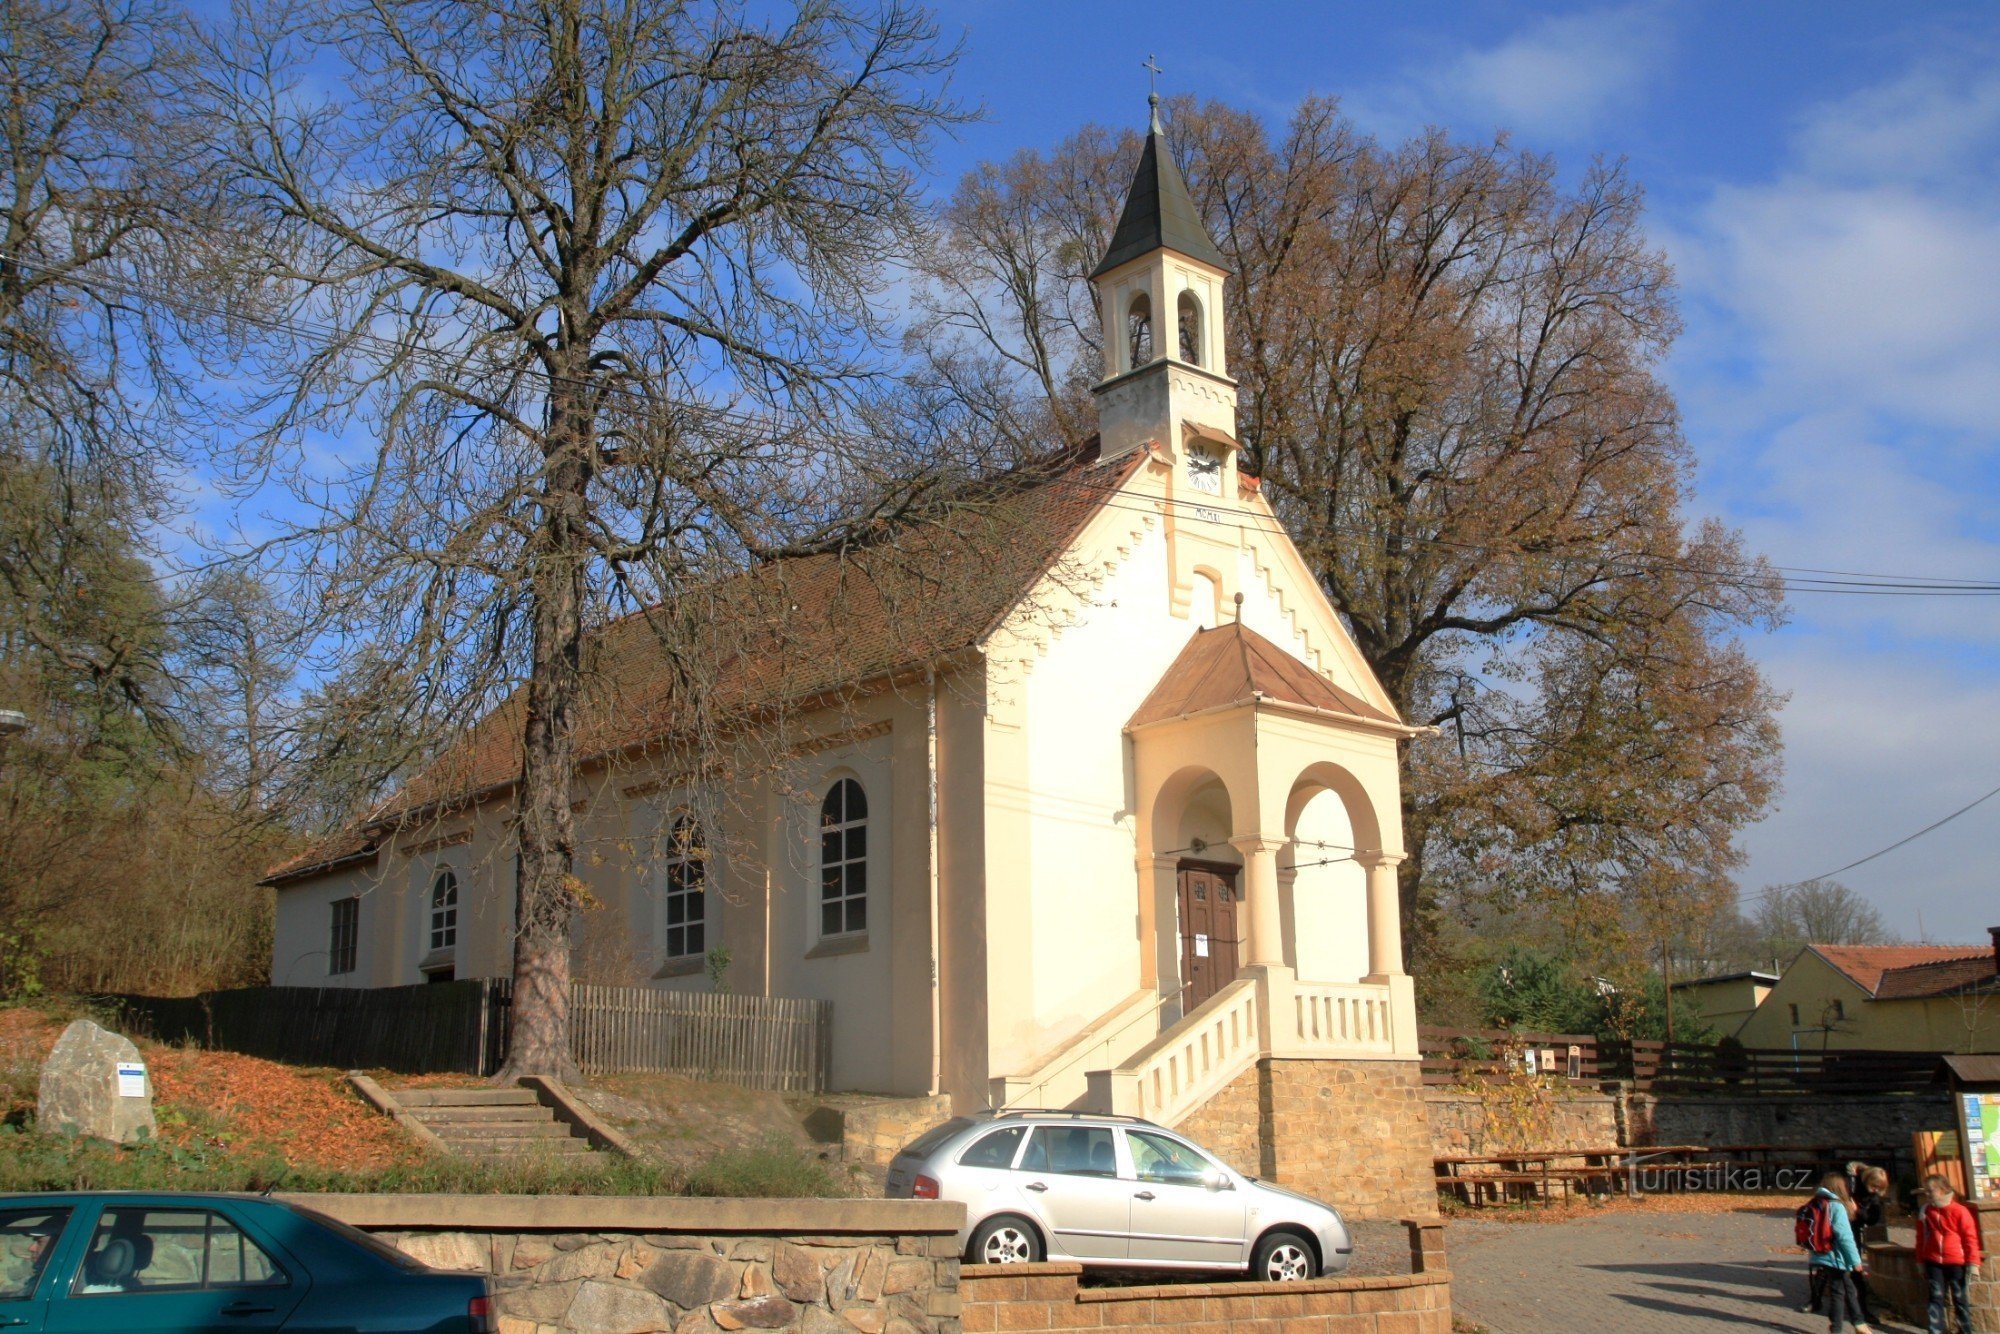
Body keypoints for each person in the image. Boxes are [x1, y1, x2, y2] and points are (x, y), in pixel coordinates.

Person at [1806, 1172, 1875, 1334]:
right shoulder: (1836, 1206)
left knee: (1848, 1289)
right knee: (1839, 1292)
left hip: (1820, 1254)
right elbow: (1845, 1237)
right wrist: (1856, 1261)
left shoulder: (1815, 1203)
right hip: (1835, 1256)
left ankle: (1858, 1323)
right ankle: (1838, 1328)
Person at [1915, 1174, 1983, 1334]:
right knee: (1935, 1298)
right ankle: (1936, 1330)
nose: (1927, 1195)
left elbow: (1970, 1238)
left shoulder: (1959, 1211)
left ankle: (1965, 1330)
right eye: (1926, 1191)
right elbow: (1920, 1238)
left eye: (1930, 1191)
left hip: (1956, 1261)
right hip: (1933, 1261)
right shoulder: (1925, 1211)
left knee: (1960, 1299)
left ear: (1942, 1190)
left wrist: (1973, 1264)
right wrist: (1920, 1261)